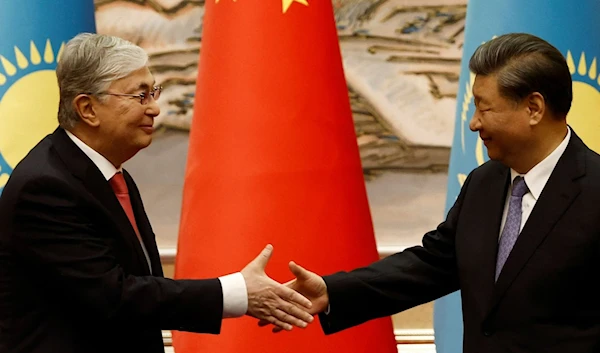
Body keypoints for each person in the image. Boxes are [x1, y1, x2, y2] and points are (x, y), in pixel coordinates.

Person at [264, 33, 600, 353]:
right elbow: (431, 265)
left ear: (534, 109)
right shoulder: (484, 183)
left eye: (484, 108)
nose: (473, 123)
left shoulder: (594, 191)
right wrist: (332, 291)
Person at [0, 33, 313, 353]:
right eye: (140, 96)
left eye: (154, 93)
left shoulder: (110, 175)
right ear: (88, 109)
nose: (155, 109)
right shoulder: (44, 188)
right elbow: (114, 297)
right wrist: (237, 293)